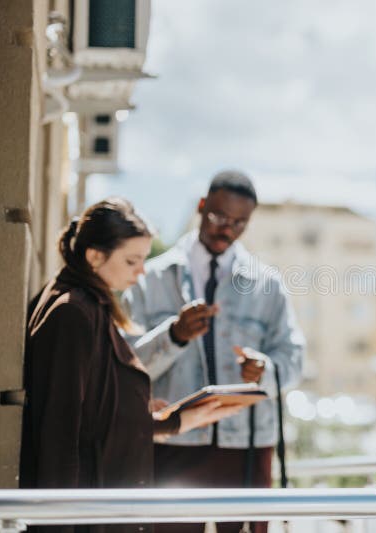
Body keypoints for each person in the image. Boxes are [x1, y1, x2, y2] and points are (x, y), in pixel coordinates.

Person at [20, 198, 244, 533]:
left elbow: (96, 412)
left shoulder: (86, 305)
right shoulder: (72, 313)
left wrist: (170, 420)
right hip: (87, 515)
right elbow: (59, 432)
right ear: (95, 256)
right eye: (132, 261)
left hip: (97, 506)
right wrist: (56, 523)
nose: (141, 272)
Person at [122, 170, 305, 533]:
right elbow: (125, 369)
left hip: (246, 447)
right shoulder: (148, 280)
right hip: (172, 441)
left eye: (240, 223)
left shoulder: (266, 283)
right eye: (219, 217)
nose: (227, 230)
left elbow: (294, 360)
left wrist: (264, 370)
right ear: (201, 207)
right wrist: (173, 335)